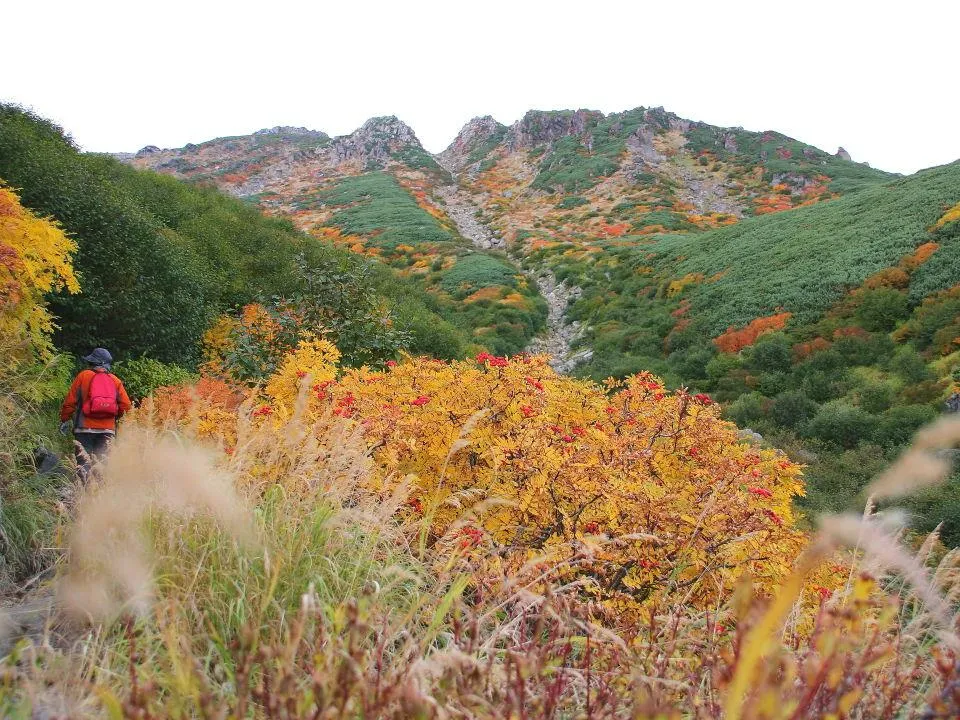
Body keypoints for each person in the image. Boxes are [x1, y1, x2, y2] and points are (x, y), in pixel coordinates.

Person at [59, 348, 132, 481]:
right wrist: (114, 417)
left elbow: (70, 402)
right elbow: (126, 406)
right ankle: (98, 496)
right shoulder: (115, 381)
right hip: (107, 430)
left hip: (83, 429)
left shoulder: (83, 376)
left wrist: (64, 419)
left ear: (92, 362)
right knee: (102, 465)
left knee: (83, 463)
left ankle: (84, 495)